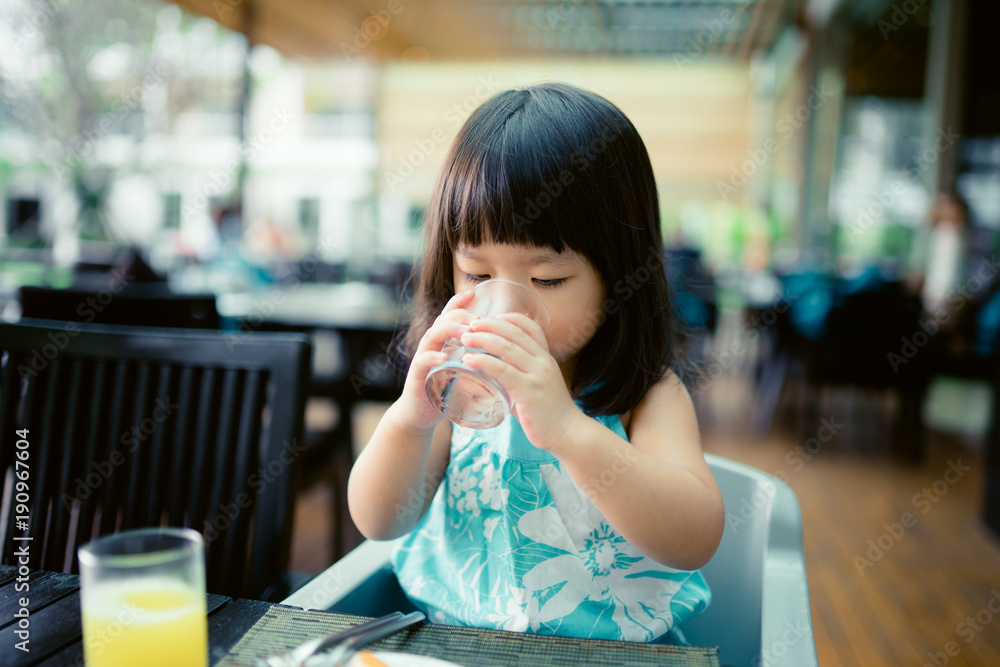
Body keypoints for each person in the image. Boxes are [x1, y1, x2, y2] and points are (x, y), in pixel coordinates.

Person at [347, 83, 724, 644]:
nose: (507, 303)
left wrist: (569, 431)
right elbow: (380, 521)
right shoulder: (459, 396)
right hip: (454, 646)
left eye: (547, 280)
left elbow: (693, 536)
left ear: (619, 277)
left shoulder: (646, 396)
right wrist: (410, 419)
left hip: (611, 657)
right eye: (476, 274)